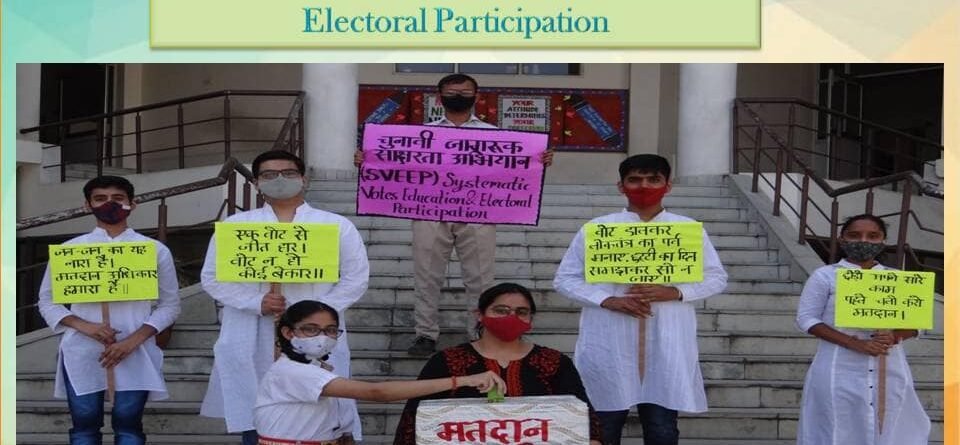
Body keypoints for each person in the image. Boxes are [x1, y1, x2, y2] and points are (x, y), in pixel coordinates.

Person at [355, 74, 553, 356]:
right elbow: (394, 164)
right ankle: (425, 334)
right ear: (439, 97)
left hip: (479, 213)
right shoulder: (420, 135)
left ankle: (479, 333)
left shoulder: (497, 135)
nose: (458, 95)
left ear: (477, 96)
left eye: (465, 91)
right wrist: (368, 160)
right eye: (451, 91)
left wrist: (538, 160)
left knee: (481, 278)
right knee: (426, 275)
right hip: (429, 212)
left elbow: (515, 167)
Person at [553, 154, 728, 445]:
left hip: (665, 340)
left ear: (668, 185)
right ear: (620, 186)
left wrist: (676, 292)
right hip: (610, 340)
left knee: (662, 430)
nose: (644, 186)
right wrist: (608, 299)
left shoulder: (686, 230)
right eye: (635, 179)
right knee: (604, 428)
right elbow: (565, 279)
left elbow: (716, 277)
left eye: (653, 179)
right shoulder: (598, 229)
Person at [199, 150, 370, 445]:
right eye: (269, 175)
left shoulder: (335, 225)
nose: (279, 179)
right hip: (253, 331)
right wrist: (256, 302)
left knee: (320, 408)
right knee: (257, 412)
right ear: (256, 183)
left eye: (288, 173)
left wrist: (315, 313)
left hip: (315, 333)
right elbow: (212, 278)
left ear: (303, 178)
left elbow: (356, 278)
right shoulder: (236, 227)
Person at [37, 175, 181, 445]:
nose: (109, 204)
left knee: (128, 424)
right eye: (100, 199)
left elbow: (170, 305)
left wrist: (133, 341)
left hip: (135, 349)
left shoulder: (154, 250)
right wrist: (85, 326)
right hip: (81, 349)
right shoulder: (70, 250)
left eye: (118, 198)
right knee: (84, 424)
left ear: (132, 204)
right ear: (87, 205)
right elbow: (47, 301)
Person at [254, 300, 506, 445]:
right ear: (288, 333)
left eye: (330, 330)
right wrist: (462, 380)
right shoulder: (292, 372)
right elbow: (377, 392)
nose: (323, 337)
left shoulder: (313, 367)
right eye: (311, 329)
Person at [393, 282, 604, 445]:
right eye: (501, 310)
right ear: (480, 314)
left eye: (521, 312)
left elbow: (583, 417)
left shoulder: (554, 362)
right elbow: (415, 419)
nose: (511, 317)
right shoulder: (448, 360)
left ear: (530, 319)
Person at [795, 214, 930, 445]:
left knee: (891, 427)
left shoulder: (898, 279)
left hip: (890, 368)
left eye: (873, 236)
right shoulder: (825, 276)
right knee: (837, 426)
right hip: (839, 367)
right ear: (842, 239)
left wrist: (895, 335)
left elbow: (918, 324)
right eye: (855, 235)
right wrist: (854, 343)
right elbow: (807, 319)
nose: (864, 241)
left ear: (883, 241)